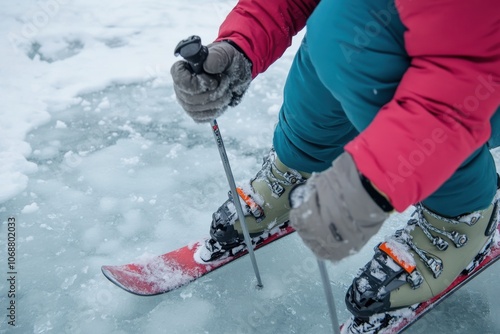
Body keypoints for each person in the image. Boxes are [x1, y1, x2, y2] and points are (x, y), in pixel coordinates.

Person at [171, 0, 500, 321]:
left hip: (481, 83)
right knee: (338, 23)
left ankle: (462, 211)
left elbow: (464, 73)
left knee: (356, 27)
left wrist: (372, 183)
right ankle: (299, 161)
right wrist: (242, 43)